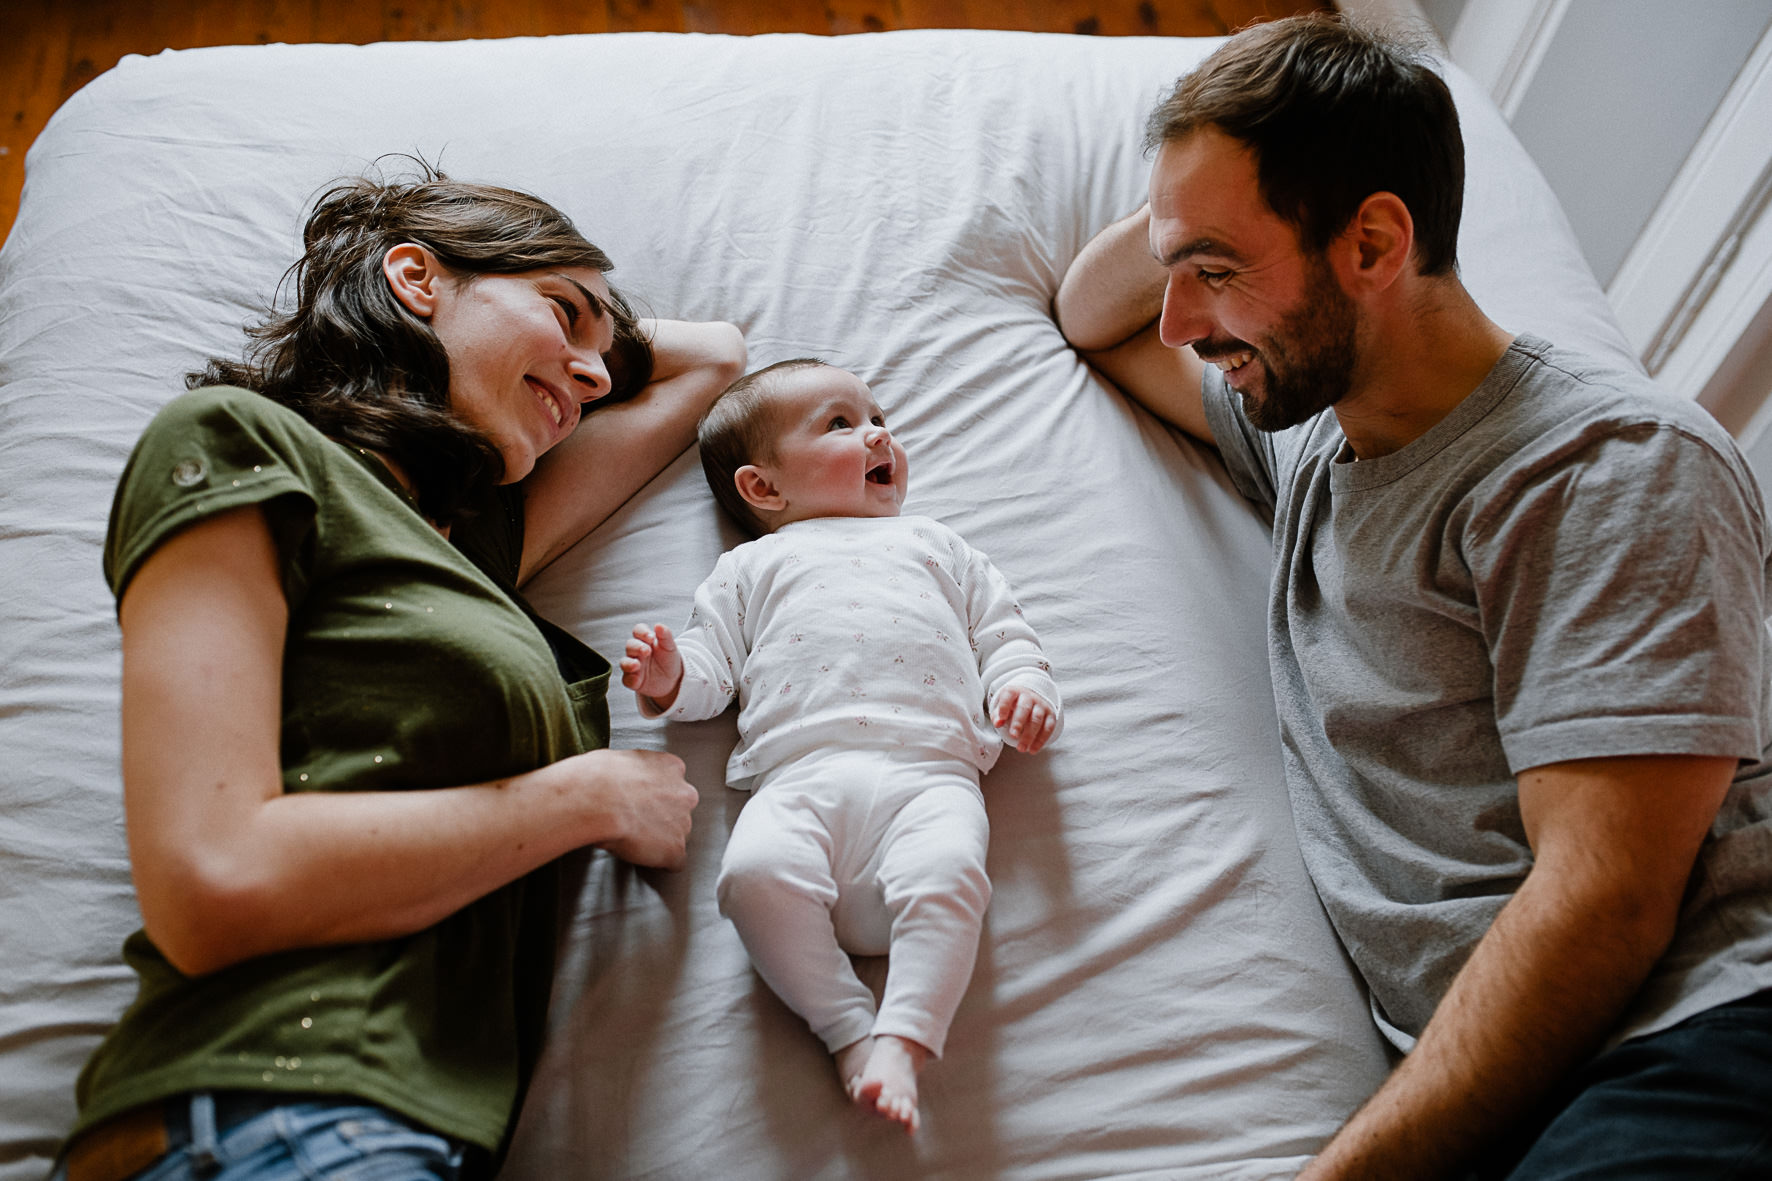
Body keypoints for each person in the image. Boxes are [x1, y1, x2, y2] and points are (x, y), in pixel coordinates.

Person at [1053, 14, 1772, 1181]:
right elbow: (1092, 313)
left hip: (1687, 1032)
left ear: (1375, 242)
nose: (1179, 321)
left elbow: (1602, 906)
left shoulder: (1607, 469)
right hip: (1518, 1078)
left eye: (1215, 274)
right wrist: (1197, 209)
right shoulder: (1308, 427)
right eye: (1176, 271)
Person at [56, 162, 746, 1181]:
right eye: (563, 311)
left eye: (605, 358)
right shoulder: (239, 444)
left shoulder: (465, 550)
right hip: (272, 1110)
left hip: (386, 1135)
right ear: (416, 278)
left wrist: (568, 343)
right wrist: (584, 798)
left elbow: (715, 359)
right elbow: (214, 879)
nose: (598, 375)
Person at [618, 358, 1061, 1134]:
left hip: (930, 773)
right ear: (763, 488)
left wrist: (1023, 686)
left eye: (879, 417)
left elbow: (1003, 633)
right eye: (841, 423)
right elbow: (712, 667)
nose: (879, 433)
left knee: (952, 874)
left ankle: (905, 1039)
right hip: (799, 777)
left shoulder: (937, 543)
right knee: (750, 875)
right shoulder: (750, 566)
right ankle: (848, 1028)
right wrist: (669, 674)